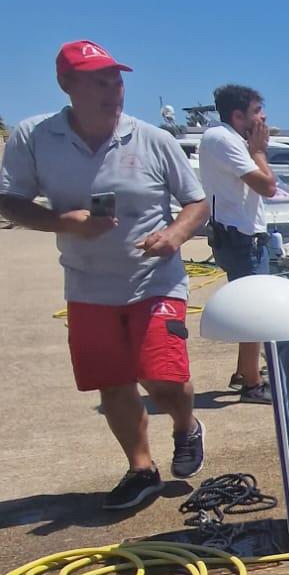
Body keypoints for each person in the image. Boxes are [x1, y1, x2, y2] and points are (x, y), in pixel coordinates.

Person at [0, 40, 210, 510]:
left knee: (162, 375)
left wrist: (175, 235)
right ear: (66, 84)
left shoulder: (153, 139)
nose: (113, 89)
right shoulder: (35, 137)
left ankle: (185, 426)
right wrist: (60, 222)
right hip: (87, 284)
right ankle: (141, 469)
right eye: (99, 80)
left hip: (154, 278)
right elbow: (9, 200)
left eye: (116, 79)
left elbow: (197, 203)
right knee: (112, 381)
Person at [198, 85, 277, 402]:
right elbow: (267, 186)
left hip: (242, 236)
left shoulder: (225, 138)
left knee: (253, 308)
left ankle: (246, 371)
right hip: (241, 240)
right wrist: (259, 151)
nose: (264, 117)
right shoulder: (224, 140)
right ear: (238, 115)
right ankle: (252, 385)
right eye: (258, 111)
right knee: (254, 311)